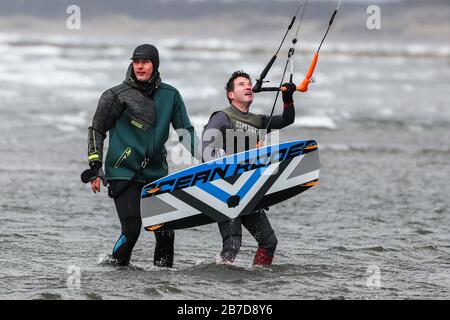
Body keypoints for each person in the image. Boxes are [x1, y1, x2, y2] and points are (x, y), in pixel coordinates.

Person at [82, 44, 199, 267]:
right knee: (132, 230)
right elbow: (97, 130)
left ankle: (163, 281)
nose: (140, 66)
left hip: (156, 172)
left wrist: (206, 157)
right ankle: (114, 270)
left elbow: (185, 132)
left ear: (155, 65)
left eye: (145, 62)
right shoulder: (115, 95)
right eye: (136, 62)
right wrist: (96, 167)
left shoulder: (170, 95)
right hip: (123, 172)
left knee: (165, 232)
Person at [202, 70, 297, 266]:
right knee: (232, 245)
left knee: (269, 242)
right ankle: (220, 284)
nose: (247, 86)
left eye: (249, 83)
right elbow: (205, 147)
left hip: (250, 189)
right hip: (228, 190)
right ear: (230, 94)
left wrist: (287, 97)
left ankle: (258, 276)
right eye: (241, 84)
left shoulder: (258, 120)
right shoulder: (222, 116)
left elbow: (287, 119)